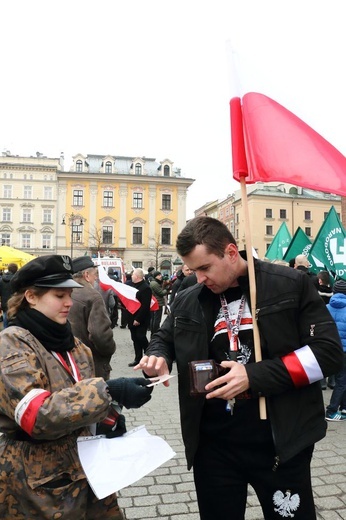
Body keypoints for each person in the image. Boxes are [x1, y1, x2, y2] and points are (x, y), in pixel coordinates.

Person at [136, 216, 343, 520]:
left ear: (231, 253)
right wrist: (157, 356)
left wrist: (253, 376)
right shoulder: (189, 297)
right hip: (213, 447)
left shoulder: (290, 283)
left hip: (280, 444)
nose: (200, 278)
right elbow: (165, 337)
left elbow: (327, 354)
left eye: (205, 268)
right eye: (193, 270)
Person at [0, 254, 153, 519]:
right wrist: (108, 390)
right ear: (31, 297)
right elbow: (36, 415)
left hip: (87, 470)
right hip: (36, 483)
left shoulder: (76, 345)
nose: (69, 303)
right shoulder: (11, 344)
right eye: (59, 296)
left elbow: (78, 403)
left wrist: (109, 417)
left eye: (70, 294)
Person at [68, 256, 116, 380]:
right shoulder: (93, 296)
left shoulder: (65, 292)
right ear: (86, 275)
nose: (96, 278)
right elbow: (99, 334)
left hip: (69, 359)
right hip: (91, 361)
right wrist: (110, 349)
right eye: (95, 274)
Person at [325, 279, 346, 421]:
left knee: (341, 379)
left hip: (330, 349)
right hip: (344, 350)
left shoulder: (325, 307)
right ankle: (331, 411)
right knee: (342, 381)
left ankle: (343, 408)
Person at [128, 268, 152, 367]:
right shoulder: (131, 285)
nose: (131, 276)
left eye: (133, 274)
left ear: (137, 276)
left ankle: (149, 355)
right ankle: (138, 358)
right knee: (134, 338)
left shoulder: (146, 288)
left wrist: (138, 319)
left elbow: (145, 306)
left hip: (141, 318)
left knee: (141, 337)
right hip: (131, 316)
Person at [0, 262, 18, 328]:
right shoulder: (17, 280)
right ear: (16, 270)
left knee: (5, 323)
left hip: (5, 304)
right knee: (15, 323)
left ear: (8, 269)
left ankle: (5, 336)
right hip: (15, 304)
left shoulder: (1, 280)